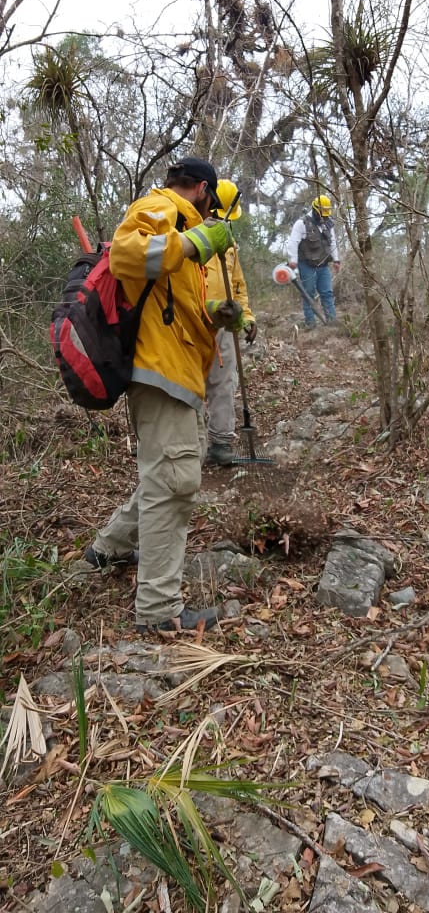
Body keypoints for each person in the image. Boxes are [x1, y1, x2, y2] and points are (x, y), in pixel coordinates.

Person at [84, 156, 244, 635]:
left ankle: (108, 548)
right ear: (200, 189)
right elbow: (126, 256)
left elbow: (172, 306)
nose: (212, 216)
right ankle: (158, 612)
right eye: (211, 204)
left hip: (174, 370)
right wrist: (195, 242)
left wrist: (217, 310)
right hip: (159, 369)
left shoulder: (177, 221)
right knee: (174, 482)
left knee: (170, 473)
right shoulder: (160, 207)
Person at [204, 179, 257, 466]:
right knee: (189, 386)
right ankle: (191, 445)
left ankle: (221, 443)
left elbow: (238, 285)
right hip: (191, 323)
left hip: (224, 325)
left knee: (223, 382)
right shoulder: (186, 237)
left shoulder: (230, 245)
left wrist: (246, 315)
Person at [286, 194, 340, 329]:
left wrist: (336, 260)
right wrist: (293, 260)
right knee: (308, 293)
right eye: (322, 213)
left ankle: (332, 322)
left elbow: (332, 242)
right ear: (315, 209)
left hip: (323, 265)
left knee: (327, 293)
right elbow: (293, 243)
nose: (324, 216)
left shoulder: (328, 224)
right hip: (307, 265)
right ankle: (311, 323)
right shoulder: (301, 223)